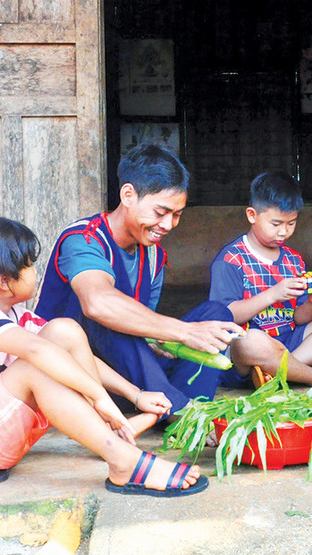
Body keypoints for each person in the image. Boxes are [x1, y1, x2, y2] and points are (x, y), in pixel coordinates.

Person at [0, 217, 207, 496]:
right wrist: (98, 396)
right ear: (5, 281)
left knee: (64, 330)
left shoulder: (17, 316)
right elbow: (38, 352)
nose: (35, 270)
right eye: (29, 264)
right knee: (38, 364)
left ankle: (108, 434)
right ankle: (122, 460)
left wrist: (135, 395)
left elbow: (65, 351)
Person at [36, 144, 243, 410]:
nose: (168, 225)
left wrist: (162, 341)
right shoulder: (83, 239)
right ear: (128, 195)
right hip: (75, 373)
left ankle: (193, 407)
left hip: (129, 373)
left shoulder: (154, 256)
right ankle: (177, 410)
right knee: (107, 312)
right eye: (160, 213)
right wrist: (184, 332)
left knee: (216, 314)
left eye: (177, 215)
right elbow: (98, 304)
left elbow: (141, 329)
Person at [208, 171, 312, 386]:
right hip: (247, 353)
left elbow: (300, 319)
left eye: (291, 223)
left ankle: (277, 372)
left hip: (289, 343)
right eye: (275, 224)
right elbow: (227, 317)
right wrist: (273, 294)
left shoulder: (294, 260)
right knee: (251, 341)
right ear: (251, 215)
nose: (283, 232)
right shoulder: (231, 259)